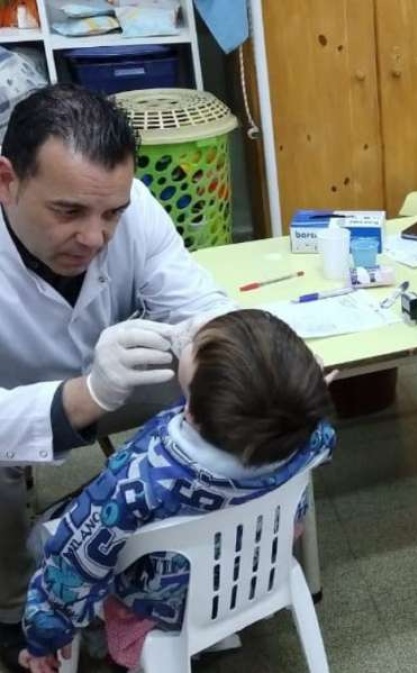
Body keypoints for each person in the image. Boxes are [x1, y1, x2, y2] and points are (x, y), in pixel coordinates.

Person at [0, 83, 235, 670]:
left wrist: (253, 361)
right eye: (68, 211)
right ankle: (13, 612)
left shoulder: (132, 206)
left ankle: (184, 574)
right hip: (20, 400)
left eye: (112, 215)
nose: (95, 237)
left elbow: (199, 304)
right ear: (6, 179)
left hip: (111, 373)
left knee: (222, 386)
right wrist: (87, 394)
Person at [18, 309, 336, 672]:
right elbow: (324, 437)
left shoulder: (141, 479)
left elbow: (73, 564)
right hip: (254, 570)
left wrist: (43, 638)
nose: (194, 334)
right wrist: (308, 401)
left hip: (161, 601)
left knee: (46, 534)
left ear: (193, 414)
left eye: (197, 345)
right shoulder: (309, 436)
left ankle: (101, 640)